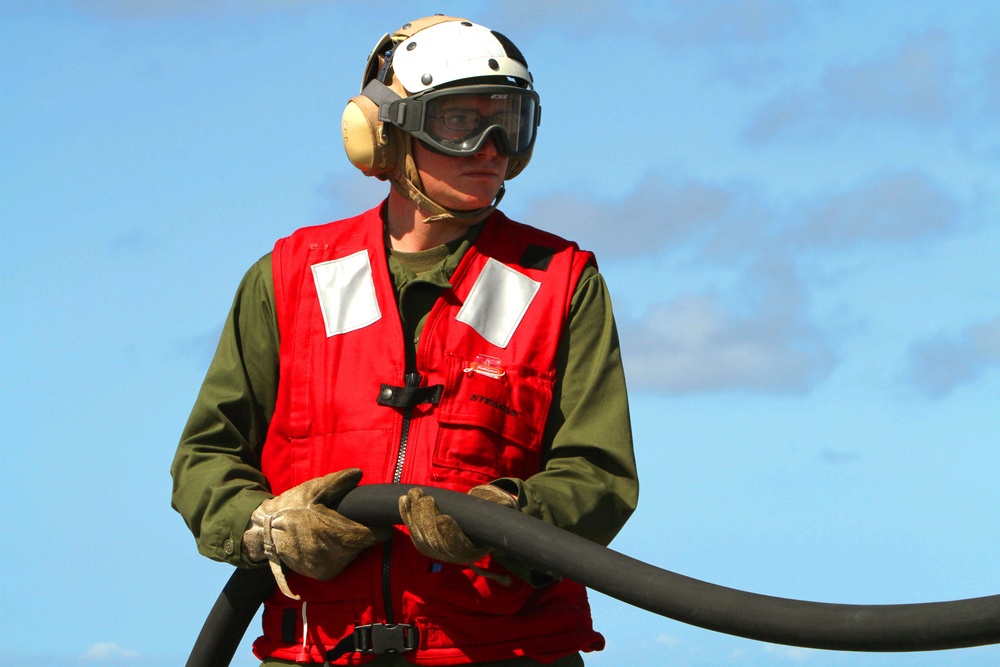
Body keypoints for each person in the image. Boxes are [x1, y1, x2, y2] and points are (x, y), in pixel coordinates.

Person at [171, 15, 638, 667]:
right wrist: (262, 525)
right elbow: (206, 454)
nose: (492, 146)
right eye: (459, 121)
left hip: (504, 652)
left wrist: (507, 516)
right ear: (383, 137)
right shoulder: (289, 278)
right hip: (317, 652)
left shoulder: (559, 282)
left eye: (508, 120)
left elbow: (599, 472)